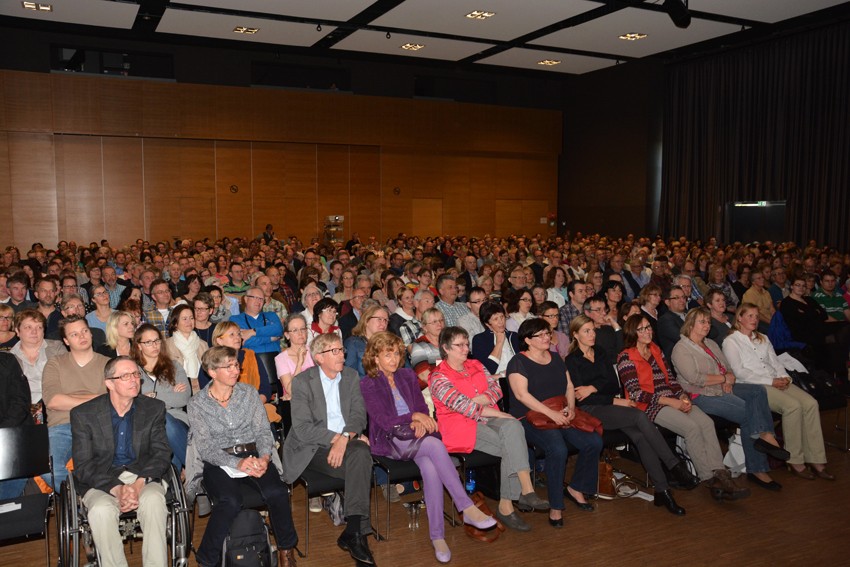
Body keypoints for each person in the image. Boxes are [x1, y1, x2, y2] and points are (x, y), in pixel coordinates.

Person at [359, 332, 496, 563]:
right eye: (387, 354)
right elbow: (384, 420)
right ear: (375, 358)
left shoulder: (406, 375)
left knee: (431, 469)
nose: (394, 359)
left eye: (396, 353)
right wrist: (413, 417)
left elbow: (422, 406)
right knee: (434, 445)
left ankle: (437, 537)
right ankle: (466, 506)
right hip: (390, 441)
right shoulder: (368, 383)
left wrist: (420, 418)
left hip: (418, 437)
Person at [566, 315, 697, 515]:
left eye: (593, 330)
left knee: (640, 436)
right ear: (575, 335)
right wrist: (611, 399)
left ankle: (663, 491)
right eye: (586, 331)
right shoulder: (572, 360)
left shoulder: (600, 352)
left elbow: (612, 384)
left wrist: (592, 387)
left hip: (610, 408)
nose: (592, 335)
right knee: (638, 416)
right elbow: (582, 399)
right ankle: (674, 465)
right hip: (591, 411)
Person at [616, 315, 749, 501]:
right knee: (691, 428)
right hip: (649, 406)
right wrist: (672, 402)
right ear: (632, 333)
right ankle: (709, 478)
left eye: (648, 327)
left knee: (707, 423)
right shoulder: (626, 357)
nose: (648, 331)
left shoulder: (656, 350)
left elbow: (670, 380)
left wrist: (682, 396)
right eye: (642, 329)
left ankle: (721, 474)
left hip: (672, 398)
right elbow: (637, 394)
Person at [430, 326, 548, 532]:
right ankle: (509, 503)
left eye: (467, 344)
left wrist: (479, 402)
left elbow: (496, 389)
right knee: (512, 441)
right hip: (460, 427)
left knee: (513, 427)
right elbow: (463, 407)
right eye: (459, 345)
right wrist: (497, 412)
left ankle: (526, 491)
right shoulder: (438, 376)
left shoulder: (475, 364)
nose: (466, 348)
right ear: (445, 348)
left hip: (485, 417)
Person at [189, 347, 298, 567]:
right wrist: (238, 463)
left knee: (276, 492)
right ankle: (207, 560)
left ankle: (287, 550)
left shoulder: (248, 393)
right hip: (219, 461)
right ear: (212, 371)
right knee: (230, 501)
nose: (235, 370)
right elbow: (206, 447)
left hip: (254, 454)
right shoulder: (197, 403)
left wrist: (265, 458)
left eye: (236, 365)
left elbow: (262, 432)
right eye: (228, 366)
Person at [281, 333, 375, 566]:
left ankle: (354, 532)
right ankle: (357, 533)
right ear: (319, 357)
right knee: (361, 462)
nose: (342, 354)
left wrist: (344, 438)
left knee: (361, 456)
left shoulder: (351, 376)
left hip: (346, 444)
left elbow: (358, 416)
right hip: (312, 448)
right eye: (335, 351)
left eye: (341, 349)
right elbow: (303, 429)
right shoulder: (303, 382)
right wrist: (338, 439)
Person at [671, 308, 790, 491]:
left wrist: (729, 377)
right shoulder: (681, 348)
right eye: (702, 322)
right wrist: (723, 379)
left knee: (757, 392)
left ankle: (766, 436)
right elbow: (695, 378)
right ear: (690, 324)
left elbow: (727, 367)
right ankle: (758, 467)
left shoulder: (710, 343)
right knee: (749, 413)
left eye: (708, 322)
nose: (707, 325)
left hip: (722, 387)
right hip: (700, 394)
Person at [70, 356, 171, 567]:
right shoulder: (83, 415)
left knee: (153, 502)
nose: (134, 380)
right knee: (100, 511)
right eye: (125, 376)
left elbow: (161, 453)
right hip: (102, 477)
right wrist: (117, 489)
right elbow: (84, 465)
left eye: (136, 374)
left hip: (142, 474)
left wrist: (138, 484)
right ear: (109, 383)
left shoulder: (153, 408)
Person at [507, 318, 602, 525]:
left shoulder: (555, 357)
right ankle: (556, 506)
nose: (546, 337)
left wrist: (569, 407)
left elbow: (569, 385)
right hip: (530, 417)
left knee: (593, 441)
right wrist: (553, 415)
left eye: (547, 333)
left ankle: (576, 487)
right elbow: (522, 396)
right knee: (558, 448)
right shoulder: (518, 362)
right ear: (527, 340)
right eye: (539, 335)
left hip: (559, 412)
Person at [723, 303, 834, 481]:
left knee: (811, 404)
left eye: (756, 316)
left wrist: (784, 378)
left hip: (776, 380)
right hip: (756, 385)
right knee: (793, 406)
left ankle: (816, 458)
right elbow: (740, 372)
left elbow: (776, 363)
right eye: (749, 316)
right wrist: (771, 381)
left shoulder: (763, 338)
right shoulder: (731, 341)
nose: (754, 319)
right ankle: (795, 460)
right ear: (740, 318)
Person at [42, 316, 109, 488]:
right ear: (65, 341)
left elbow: (113, 401)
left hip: (98, 425)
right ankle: (82, 499)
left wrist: (69, 399)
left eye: (84, 331)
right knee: (46, 467)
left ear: (91, 333)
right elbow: (53, 401)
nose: (82, 336)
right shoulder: (54, 363)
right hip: (63, 425)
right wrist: (97, 398)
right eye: (74, 334)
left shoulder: (107, 364)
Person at [133, 323, 191, 470]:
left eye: (157, 340)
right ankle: (192, 470)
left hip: (176, 418)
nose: (155, 345)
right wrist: (168, 395)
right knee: (162, 430)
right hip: (144, 422)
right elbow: (129, 400)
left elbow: (183, 398)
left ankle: (178, 479)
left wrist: (151, 398)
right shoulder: (131, 369)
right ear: (139, 345)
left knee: (165, 421)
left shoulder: (174, 366)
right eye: (148, 342)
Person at [471, 300, 520, 380]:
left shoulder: (514, 336)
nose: (501, 322)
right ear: (487, 324)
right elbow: (486, 370)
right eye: (495, 319)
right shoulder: (479, 340)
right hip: (495, 384)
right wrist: (499, 343)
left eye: (502, 317)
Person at [166, 304, 209, 392]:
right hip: (177, 390)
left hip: (201, 389)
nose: (189, 321)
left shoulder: (203, 344)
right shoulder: (166, 345)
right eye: (184, 319)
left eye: (191, 318)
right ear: (175, 323)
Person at [230, 286, 283, 355]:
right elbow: (243, 341)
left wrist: (252, 332)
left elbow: (278, 329)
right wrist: (270, 338)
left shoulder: (271, 315)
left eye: (261, 299)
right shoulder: (235, 319)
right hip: (250, 360)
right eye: (255, 298)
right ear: (246, 299)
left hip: (274, 359)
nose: (258, 301)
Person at [274, 314, 314, 403]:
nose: (300, 333)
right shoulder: (281, 359)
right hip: (297, 404)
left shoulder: (314, 351)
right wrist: (300, 363)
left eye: (303, 329)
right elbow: (291, 391)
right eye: (295, 330)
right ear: (287, 335)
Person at [344, 305, 389, 376]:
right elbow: (349, 375)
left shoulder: (389, 343)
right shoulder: (353, 343)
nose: (383, 324)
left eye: (386, 320)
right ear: (367, 321)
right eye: (379, 319)